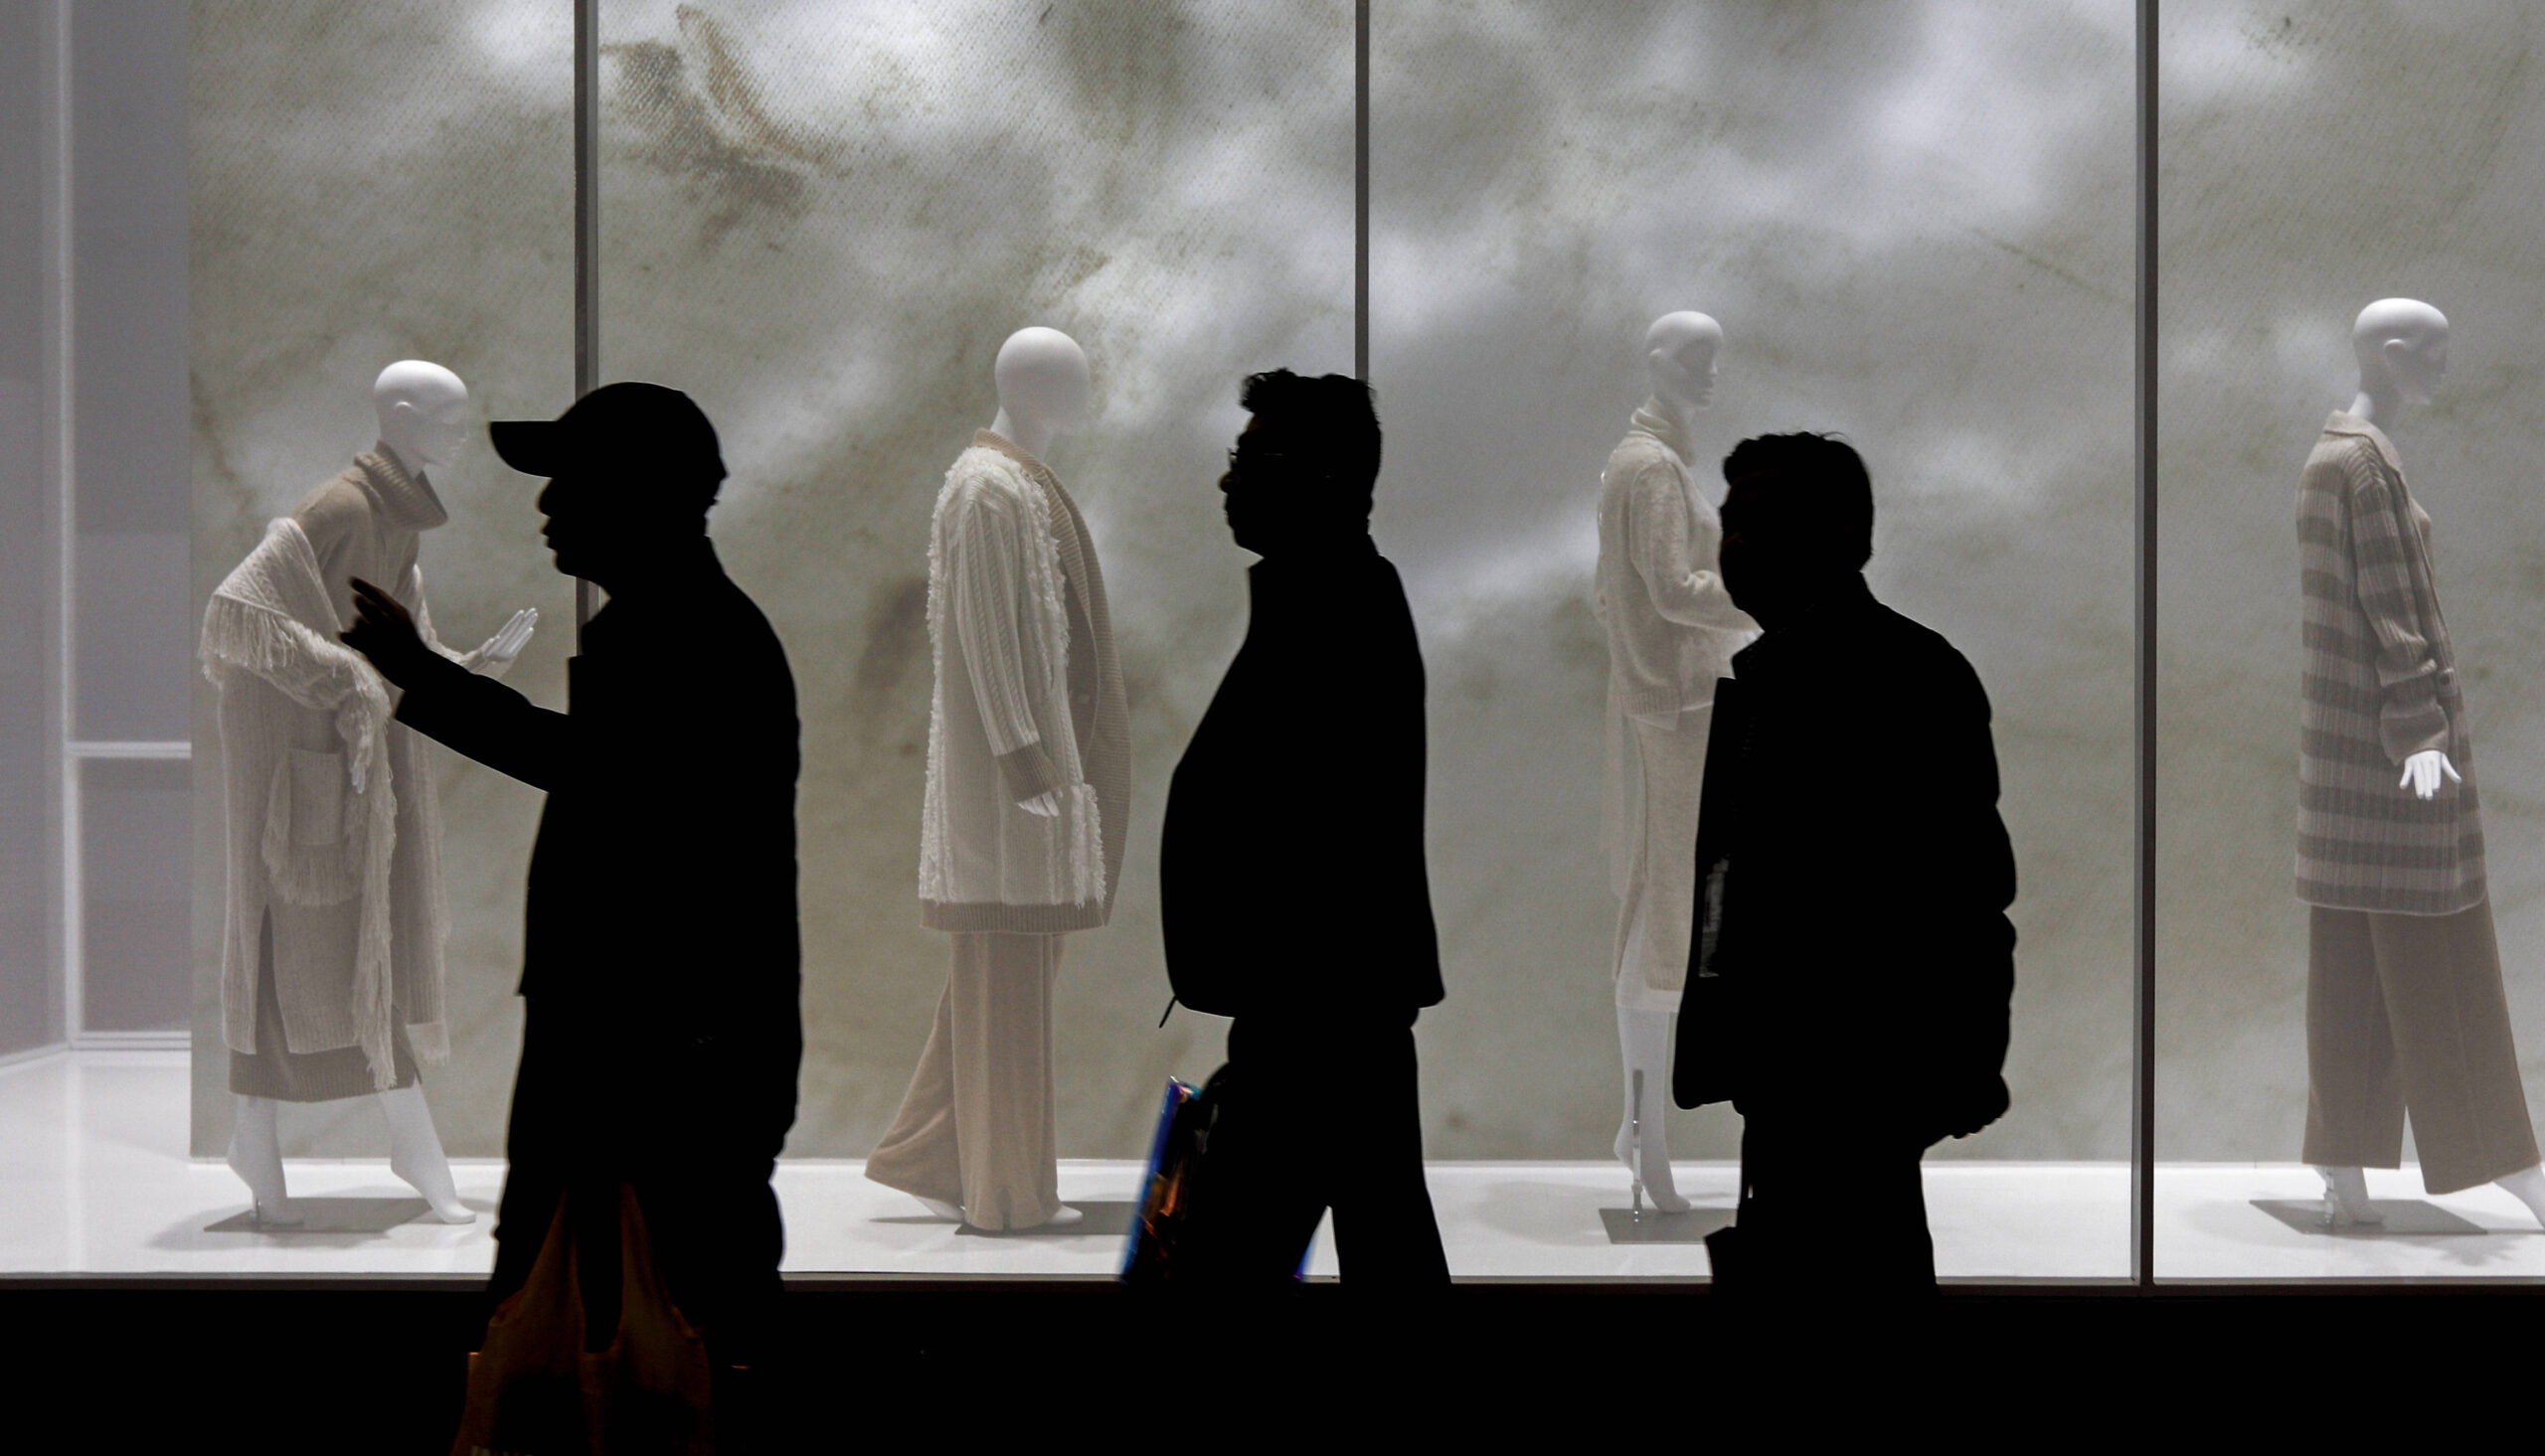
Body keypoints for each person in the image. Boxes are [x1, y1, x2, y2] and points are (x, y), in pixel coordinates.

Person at [339, 382, 802, 1364]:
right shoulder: (673, 624)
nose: (547, 507)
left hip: (654, 1060)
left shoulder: (686, 633)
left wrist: (421, 675)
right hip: (653, 1047)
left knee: (636, 1337)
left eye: (571, 483)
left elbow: (601, 775)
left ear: (639, 495)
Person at [1672, 431, 2014, 1295]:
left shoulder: (1899, 675)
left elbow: (1965, 891)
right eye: (1730, 523)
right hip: (1806, 1070)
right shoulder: (1799, 673)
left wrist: (1959, 1063)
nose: (1735, 544)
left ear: (1836, 537)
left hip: (1850, 1071)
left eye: (1760, 522)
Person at [1157, 369, 1450, 1288]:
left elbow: (1317, 842)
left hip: (1312, 1020)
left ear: (1320, 477)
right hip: (1322, 1015)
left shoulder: (1334, 608)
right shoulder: (1327, 597)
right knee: (1384, 1248)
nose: (1229, 481)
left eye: (1251, 458)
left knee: (1228, 1277)